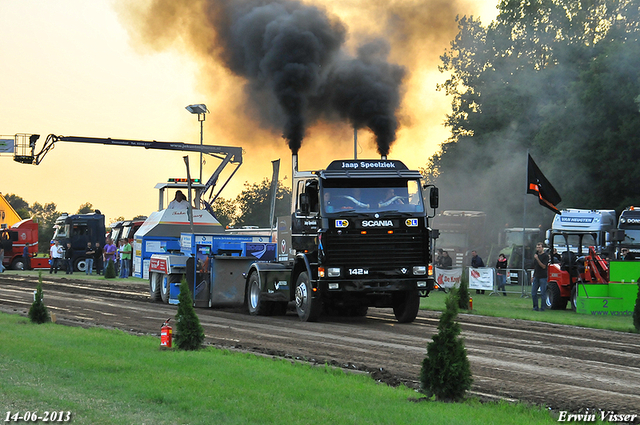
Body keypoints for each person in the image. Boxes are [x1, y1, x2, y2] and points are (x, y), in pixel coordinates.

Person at [532, 242, 549, 311]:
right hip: (536, 276)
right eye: (537, 247)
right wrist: (533, 276)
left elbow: (543, 266)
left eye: (539, 247)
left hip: (543, 276)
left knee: (543, 293)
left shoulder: (545, 256)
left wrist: (537, 259)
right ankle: (535, 307)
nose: (538, 249)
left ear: (542, 248)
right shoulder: (536, 256)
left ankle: (542, 307)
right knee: (533, 293)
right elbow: (535, 267)